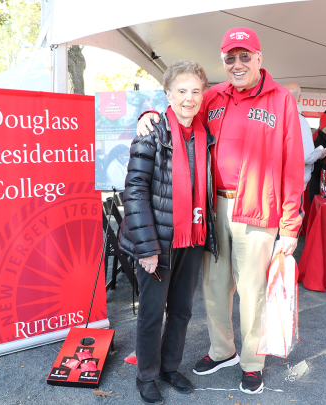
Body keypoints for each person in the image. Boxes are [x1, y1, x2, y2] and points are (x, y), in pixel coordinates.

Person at [137, 27, 304, 394]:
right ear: (223, 61)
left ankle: (252, 361)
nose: (238, 63)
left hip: (257, 210)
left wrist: (290, 226)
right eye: (231, 57)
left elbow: (293, 165)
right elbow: (181, 112)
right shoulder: (213, 95)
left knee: (252, 289)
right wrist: (149, 114)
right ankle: (221, 349)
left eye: (245, 56)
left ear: (259, 58)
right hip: (211, 207)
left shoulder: (281, 100)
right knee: (213, 286)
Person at [118, 60, 218, 405]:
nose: (189, 99)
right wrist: (146, 249)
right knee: (151, 312)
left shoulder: (205, 135)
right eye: (181, 91)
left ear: (203, 95)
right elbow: (134, 191)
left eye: (195, 91)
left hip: (192, 236)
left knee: (181, 310)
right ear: (167, 94)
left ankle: (168, 367)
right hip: (157, 240)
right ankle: (146, 374)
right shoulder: (152, 132)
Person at [285, 82, 326, 189]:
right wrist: (319, 153)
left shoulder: (273, 119)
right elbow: (307, 156)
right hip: (293, 185)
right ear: (299, 98)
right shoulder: (300, 121)